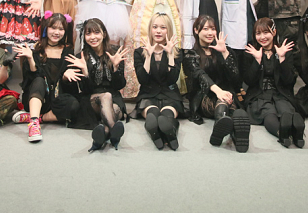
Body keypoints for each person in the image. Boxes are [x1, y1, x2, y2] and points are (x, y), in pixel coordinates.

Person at [183, 15, 251, 152]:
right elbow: (200, 75)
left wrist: (225, 53)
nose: (210, 33)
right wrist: (218, 91)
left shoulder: (223, 49)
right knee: (226, 102)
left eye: (213, 29)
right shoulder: (190, 54)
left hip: (226, 93)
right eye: (205, 29)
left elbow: (236, 79)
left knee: (228, 102)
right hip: (204, 96)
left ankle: (232, 133)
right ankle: (224, 121)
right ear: (196, 30)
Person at [63, 18, 128, 152]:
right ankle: (114, 133)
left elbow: (120, 85)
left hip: (114, 97)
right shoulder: (81, 57)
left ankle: (104, 134)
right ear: (84, 36)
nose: (93, 37)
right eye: (88, 33)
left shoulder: (115, 52)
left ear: (104, 34)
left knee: (115, 108)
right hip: (92, 99)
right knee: (106, 96)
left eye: (96, 32)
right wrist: (85, 72)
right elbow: (86, 90)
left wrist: (116, 68)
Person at [11, 11, 76, 142]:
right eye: (53, 28)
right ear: (46, 28)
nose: (57, 32)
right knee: (39, 80)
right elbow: (31, 79)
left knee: (75, 106)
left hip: (57, 99)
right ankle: (34, 124)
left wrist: (66, 76)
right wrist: (30, 59)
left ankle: (37, 118)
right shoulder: (36, 49)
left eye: (61, 29)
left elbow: (70, 85)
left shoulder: (68, 51)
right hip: (38, 98)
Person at [242, 17, 305, 148]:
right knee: (268, 114)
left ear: (274, 32)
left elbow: (289, 81)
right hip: (259, 94)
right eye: (258, 33)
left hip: (280, 93)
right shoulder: (251, 51)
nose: (262, 37)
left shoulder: (284, 50)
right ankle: (282, 134)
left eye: (266, 32)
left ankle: (297, 134)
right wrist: (257, 61)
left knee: (286, 111)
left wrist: (282, 59)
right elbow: (249, 81)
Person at [134, 13, 184, 150]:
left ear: (169, 30)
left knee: (167, 116)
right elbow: (142, 80)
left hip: (169, 94)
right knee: (153, 115)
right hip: (148, 94)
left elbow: (172, 79)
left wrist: (170, 55)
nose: (158, 31)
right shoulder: (139, 52)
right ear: (150, 29)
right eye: (155, 27)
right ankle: (156, 133)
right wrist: (148, 56)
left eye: (163, 27)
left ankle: (170, 133)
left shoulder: (177, 52)